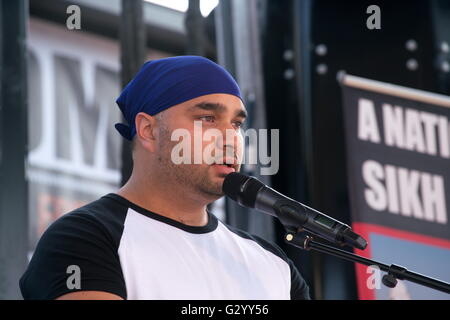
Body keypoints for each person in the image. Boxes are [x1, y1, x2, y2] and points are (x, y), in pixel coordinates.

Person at [19, 56, 310, 300]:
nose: (231, 139)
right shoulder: (84, 239)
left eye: (236, 124)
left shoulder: (273, 264)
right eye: (207, 118)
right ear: (148, 130)